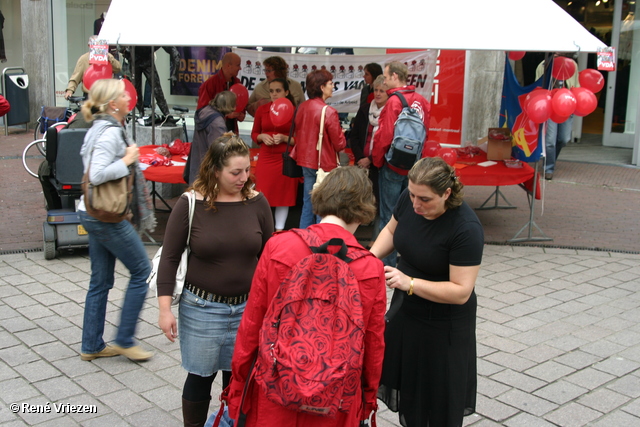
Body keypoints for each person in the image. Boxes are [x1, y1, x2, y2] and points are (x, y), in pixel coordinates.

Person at [228, 166, 386, 427]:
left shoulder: (279, 246)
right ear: (364, 208)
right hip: (335, 401)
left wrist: (238, 385)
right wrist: (367, 399)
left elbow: (252, 323)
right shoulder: (371, 269)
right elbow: (373, 344)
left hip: (274, 388)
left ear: (322, 198)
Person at [156, 133, 274, 427]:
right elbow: (170, 258)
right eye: (236, 172)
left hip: (247, 310)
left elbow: (270, 256)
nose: (244, 178)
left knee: (238, 380)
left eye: (247, 170)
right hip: (202, 309)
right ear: (216, 170)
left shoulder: (257, 202)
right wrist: (164, 308)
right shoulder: (191, 203)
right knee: (200, 377)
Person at [370, 157, 484, 427]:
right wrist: (370, 258)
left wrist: (409, 283)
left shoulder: (466, 228)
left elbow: (460, 291)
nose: (416, 204)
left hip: (444, 326)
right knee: (411, 394)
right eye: (411, 195)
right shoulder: (410, 201)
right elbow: (390, 229)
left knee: (438, 402)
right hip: (407, 313)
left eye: (425, 199)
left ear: (447, 193)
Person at [77, 79, 156, 362]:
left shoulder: (99, 128)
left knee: (100, 280)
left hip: (94, 210)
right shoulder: (111, 133)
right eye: (123, 95)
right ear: (113, 104)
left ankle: (92, 345)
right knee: (142, 271)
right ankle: (124, 339)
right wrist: (126, 161)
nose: (128, 97)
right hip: (105, 215)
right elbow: (97, 174)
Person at [371, 61, 430, 266]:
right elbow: (425, 133)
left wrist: (378, 161)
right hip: (413, 164)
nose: (384, 81)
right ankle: (410, 260)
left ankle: (387, 264)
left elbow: (384, 136)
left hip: (393, 163)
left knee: (389, 214)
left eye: (386, 77)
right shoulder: (422, 101)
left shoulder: (393, 102)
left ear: (395, 76)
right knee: (414, 212)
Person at [290, 69, 346, 229]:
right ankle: (319, 241)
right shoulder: (328, 111)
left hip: (305, 160)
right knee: (323, 207)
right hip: (324, 164)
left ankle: (304, 239)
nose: (333, 86)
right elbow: (339, 144)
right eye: (330, 83)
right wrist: (342, 134)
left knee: (308, 203)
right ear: (322, 87)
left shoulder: (302, 107)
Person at [251, 78, 300, 231]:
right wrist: (261, 137)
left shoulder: (295, 111)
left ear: (286, 92)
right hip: (266, 156)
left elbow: (300, 139)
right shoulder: (262, 109)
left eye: (278, 90)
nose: (274, 94)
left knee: (283, 197)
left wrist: (285, 138)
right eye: (271, 91)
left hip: (284, 158)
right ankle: (261, 229)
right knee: (261, 193)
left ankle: (279, 230)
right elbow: (254, 133)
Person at [349, 74, 388, 243]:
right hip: (361, 163)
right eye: (376, 90)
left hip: (380, 163)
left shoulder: (390, 112)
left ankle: (375, 241)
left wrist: (370, 159)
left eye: (382, 91)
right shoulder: (365, 109)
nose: (378, 94)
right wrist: (361, 157)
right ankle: (352, 238)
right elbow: (355, 136)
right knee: (359, 199)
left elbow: (388, 142)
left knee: (379, 202)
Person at [536, 54, 579, 180]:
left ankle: (550, 160)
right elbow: (538, 85)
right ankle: (549, 168)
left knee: (563, 139)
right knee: (550, 141)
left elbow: (576, 84)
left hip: (566, 105)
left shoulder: (572, 65)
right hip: (550, 106)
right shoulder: (544, 65)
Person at [185, 91, 236, 185]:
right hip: (208, 171)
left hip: (197, 162)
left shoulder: (204, 112)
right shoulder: (217, 123)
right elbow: (218, 150)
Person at [197, 52, 245, 133]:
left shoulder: (237, 83)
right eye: (238, 65)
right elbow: (202, 112)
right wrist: (226, 115)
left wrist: (241, 114)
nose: (240, 68)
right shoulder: (210, 84)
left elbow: (242, 103)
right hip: (214, 132)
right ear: (228, 65)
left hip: (232, 132)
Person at [65, 35, 122, 100]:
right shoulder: (84, 59)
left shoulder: (108, 57)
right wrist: (70, 90)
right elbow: (76, 77)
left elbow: (118, 68)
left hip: (106, 94)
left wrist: (109, 58)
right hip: (90, 95)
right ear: (89, 46)